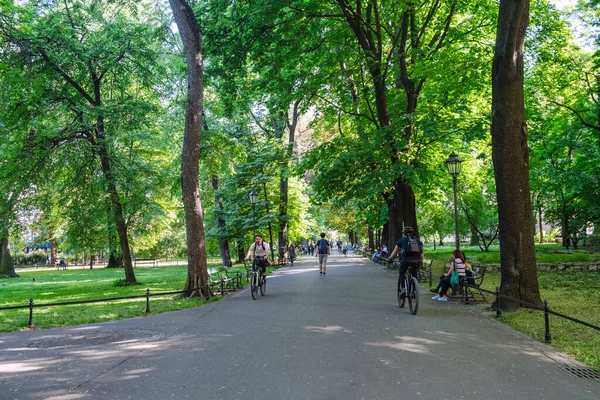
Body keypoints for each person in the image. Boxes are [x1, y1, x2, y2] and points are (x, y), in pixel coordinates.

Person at [387, 226, 423, 297]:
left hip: (406, 260)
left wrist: (390, 259)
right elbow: (421, 254)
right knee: (414, 273)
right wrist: (420, 261)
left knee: (402, 272)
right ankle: (414, 290)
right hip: (416, 260)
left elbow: (395, 251)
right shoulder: (416, 240)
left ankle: (403, 288)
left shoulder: (402, 240)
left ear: (404, 233)